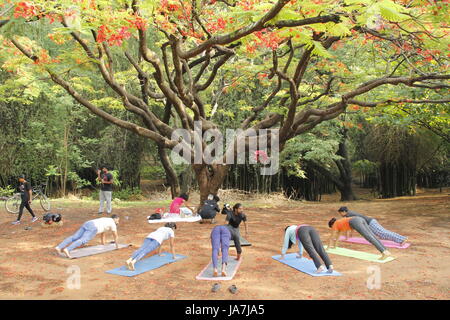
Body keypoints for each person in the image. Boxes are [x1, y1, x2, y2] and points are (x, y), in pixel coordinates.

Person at [55, 215, 120, 258]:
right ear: (115, 219)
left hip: (88, 223)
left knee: (74, 237)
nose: (118, 222)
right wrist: (117, 246)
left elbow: (103, 234)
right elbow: (115, 236)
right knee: (83, 240)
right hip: (93, 227)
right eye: (118, 220)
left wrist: (103, 244)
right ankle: (67, 249)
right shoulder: (112, 224)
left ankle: (59, 247)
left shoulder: (106, 219)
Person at [327, 217, 392, 260]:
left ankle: (384, 252)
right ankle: (386, 251)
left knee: (369, 237)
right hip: (360, 219)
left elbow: (332, 237)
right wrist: (334, 247)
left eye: (331, 227)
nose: (332, 229)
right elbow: (337, 237)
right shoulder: (339, 223)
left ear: (331, 225)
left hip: (355, 221)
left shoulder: (335, 224)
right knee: (372, 235)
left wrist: (328, 248)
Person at [337, 206, 408, 245]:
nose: (340, 215)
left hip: (370, 223)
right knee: (383, 234)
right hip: (370, 222)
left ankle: (402, 239)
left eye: (340, 213)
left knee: (383, 233)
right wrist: (350, 236)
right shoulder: (349, 213)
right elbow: (352, 226)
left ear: (344, 212)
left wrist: (347, 237)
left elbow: (347, 227)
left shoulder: (348, 215)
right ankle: (401, 238)